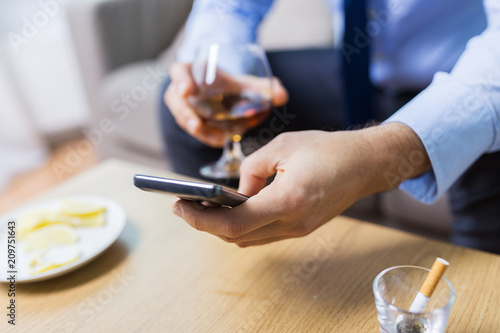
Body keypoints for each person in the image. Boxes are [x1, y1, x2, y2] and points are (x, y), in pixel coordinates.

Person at [160, 0, 500, 253]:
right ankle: (243, 258)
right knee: (181, 106)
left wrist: (379, 156)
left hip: (464, 79)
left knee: (480, 147)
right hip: (359, 74)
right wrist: (221, 74)